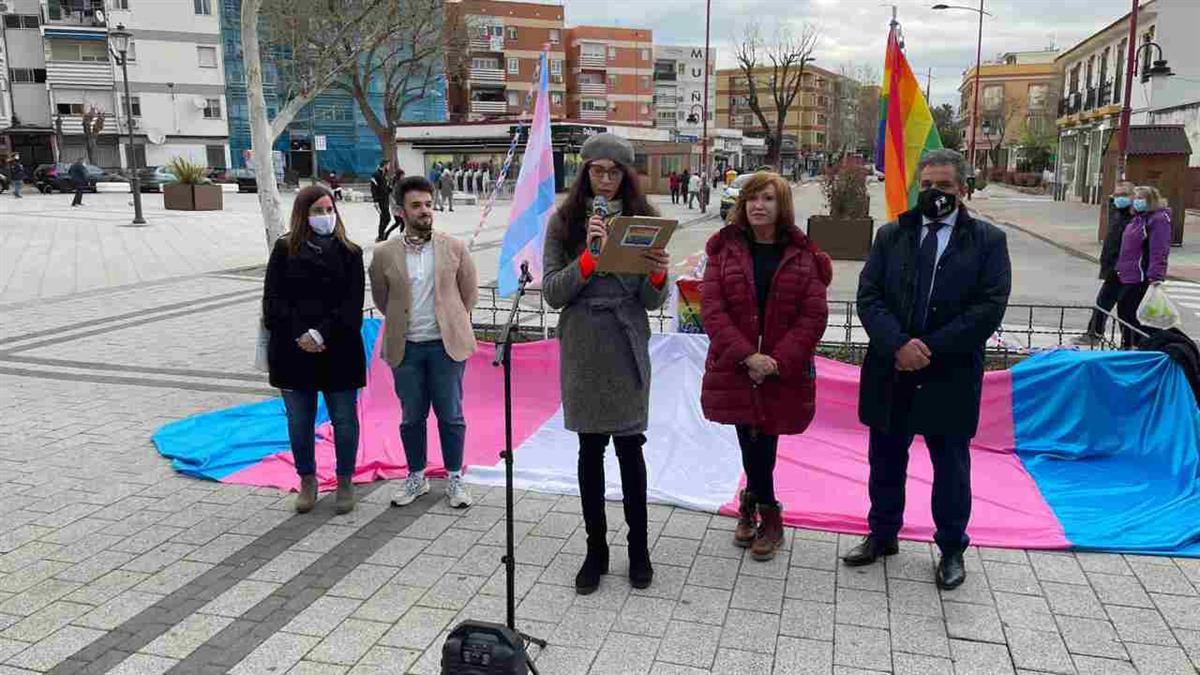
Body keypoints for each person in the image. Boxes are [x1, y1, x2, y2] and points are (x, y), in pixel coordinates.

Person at [846, 148, 1012, 590]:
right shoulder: (891, 235)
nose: (934, 193)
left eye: (943, 186)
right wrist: (899, 345)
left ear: (962, 189)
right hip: (892, 368)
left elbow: (989, 308)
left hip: (950, 373)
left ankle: (952, 548)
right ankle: (882, 534)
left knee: (951, 468)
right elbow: (869, 297)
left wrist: (929, 349)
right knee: (885, 460)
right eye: (926, 185)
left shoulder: (988, 242)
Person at [542, 133, 671, 595]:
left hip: (625, 341)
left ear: (627, 176)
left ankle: (640, 550)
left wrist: (657, 273)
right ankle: (596, 550)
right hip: (583, 346)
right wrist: (590, 258)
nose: (606, 180)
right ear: (585, 173)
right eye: (597, 170)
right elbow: (553, 293)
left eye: (615, 172)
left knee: (630, 449)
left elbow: (653, 300)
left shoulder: (645, 220)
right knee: (589, 451)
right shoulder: (564, 222)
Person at [700, 172, 831, 561]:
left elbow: (813, 316)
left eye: (768, 199)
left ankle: (755, 505)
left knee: (766, 439)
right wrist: (747, 356)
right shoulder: (724, 251)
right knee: (748, 437)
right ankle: (765, 511)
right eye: (752, 198)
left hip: (780, 371)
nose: (758, 205)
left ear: (782, 206)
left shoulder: (804, 256)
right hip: (737, 365)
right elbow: (712, 309)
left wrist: (774, 361)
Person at [370, 176, 479, 509]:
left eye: (428, 204)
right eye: (416, 206)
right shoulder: (384, 252)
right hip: (407, 348)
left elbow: (469, 294)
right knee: (411, 416)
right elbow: (381, 299)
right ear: (400, 211)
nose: (424, 211)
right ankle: (415, 476)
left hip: (446, 347)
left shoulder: (454, 247)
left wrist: (450, 320)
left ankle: (454, 479)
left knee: (451, 415)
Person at [263, 186, 366, 515]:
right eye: (318, 211)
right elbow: (273, 302)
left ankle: (345, 479)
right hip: (294, 350)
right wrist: (302, 335)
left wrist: (321, 334)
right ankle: (307, 479)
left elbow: (352, 306)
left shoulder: (351, 252)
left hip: (339, 348)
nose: (325, 216)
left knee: (344, 419)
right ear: (303, 215)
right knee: (299, 421)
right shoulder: (284, 249)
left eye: (329, 209)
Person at [1076, 181, 1135, 345]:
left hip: (1121, 268)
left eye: (1123, 195)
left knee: (1112, 304)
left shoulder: (1132, 218)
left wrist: (1118, 266)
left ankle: (1098, 334)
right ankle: (1126, 340)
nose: (1118, 198)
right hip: (1113, 267)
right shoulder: (1118, 212)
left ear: (1132, 197)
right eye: (1116, 195)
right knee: (1115, 305)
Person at [1115, 185, 1172, 349]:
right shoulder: (1139, 218)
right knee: (1125, 310)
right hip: (1128, 274)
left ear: (1151, 200)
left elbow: (1159, 249)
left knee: (1135, 314)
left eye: (1141, 198)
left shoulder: (1158, 219)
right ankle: (1128, 344)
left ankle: (1139, 345)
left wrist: (1156, 276)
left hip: (1142, 276)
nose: (1137, 201)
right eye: (1136, 198)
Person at [371, 160, 392, 242]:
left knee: (384, 218)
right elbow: (373, 189)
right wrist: (375, 201)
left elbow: (385, 189)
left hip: (385, 199)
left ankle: (381, 235)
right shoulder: (376, 175)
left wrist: (390, 188)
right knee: (385, 218)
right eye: (388, 165)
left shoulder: (384, 175)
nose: (389, 167)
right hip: (380, 200)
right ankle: (380, 236)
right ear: (385, 165)